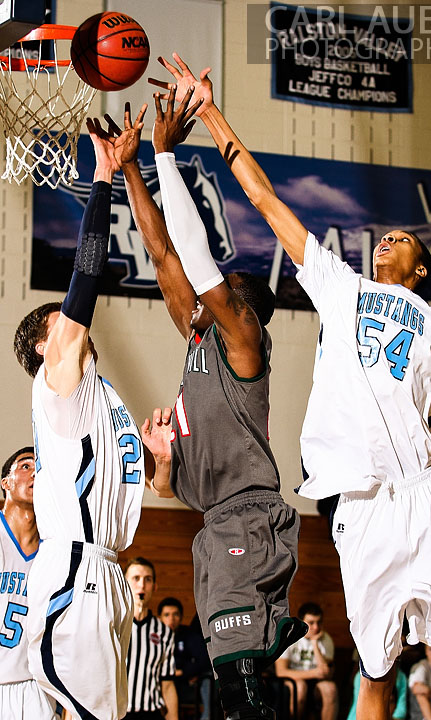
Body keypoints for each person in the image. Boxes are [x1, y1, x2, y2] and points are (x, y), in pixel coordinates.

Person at [149, 54, 431, 720]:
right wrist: (210, 111)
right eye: (381, 236)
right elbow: (265, 200)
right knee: (376, 671)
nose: (386, 242)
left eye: (401, 241)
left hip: (423, 494)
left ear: (420, 272)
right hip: (358, 507)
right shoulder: (338, 285)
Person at [111, 88, 306, 720]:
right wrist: (134, 167)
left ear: (237, 306)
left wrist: (168, 156)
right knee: (232, 681)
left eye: (218, 291)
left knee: (240, 690)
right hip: (216, 524)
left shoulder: (245, 340)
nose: (200, 293)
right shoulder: (198, 338)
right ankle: (273, 627)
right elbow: (164, 252)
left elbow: (192, 259)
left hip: (245, 517)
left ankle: (271, 630)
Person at [12, 108, 166, 720]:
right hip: (73, 575)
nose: (74, 330)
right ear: (44, 352)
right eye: (62, 329)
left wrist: (159, 465)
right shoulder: (56, 385)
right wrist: (104, 179)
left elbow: (146, 492)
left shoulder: (103, 400)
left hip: (104, 573)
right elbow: (87, 274)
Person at [0, 447, 57, 720]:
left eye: (41, 466)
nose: (35, 471)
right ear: (5, 483)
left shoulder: (56, 551)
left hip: (38, 691)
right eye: (25, 466)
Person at [124, 558, 178, 720]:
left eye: (147, 579)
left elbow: (167, 684)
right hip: (115, 713)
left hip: (151, 714)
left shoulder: (164, 632)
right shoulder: (111, 625)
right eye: (136, 578)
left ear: (154, 586)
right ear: (124, 584)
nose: (141, 585)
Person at [275, 602, 338, 720]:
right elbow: (281, 671)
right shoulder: (289, 638)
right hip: (292, 679)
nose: (316, 627)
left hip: (316, 682)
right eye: (311, 623)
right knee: (300, 687)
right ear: (301, 621)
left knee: (330, 688)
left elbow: (327, 673)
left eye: (319, 622)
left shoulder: (325, 639)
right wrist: (314, 673)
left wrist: (315, 643)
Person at [158, 597, 213, 720]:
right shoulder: (154, 637)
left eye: (175, 614)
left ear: (181, 617)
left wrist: (184, 672)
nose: (171, 619)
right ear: (160, 618)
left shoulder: (188, 635)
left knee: (208, 677)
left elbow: (204, 660)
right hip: (160, 684)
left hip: (187, 684)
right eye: (166, 615)